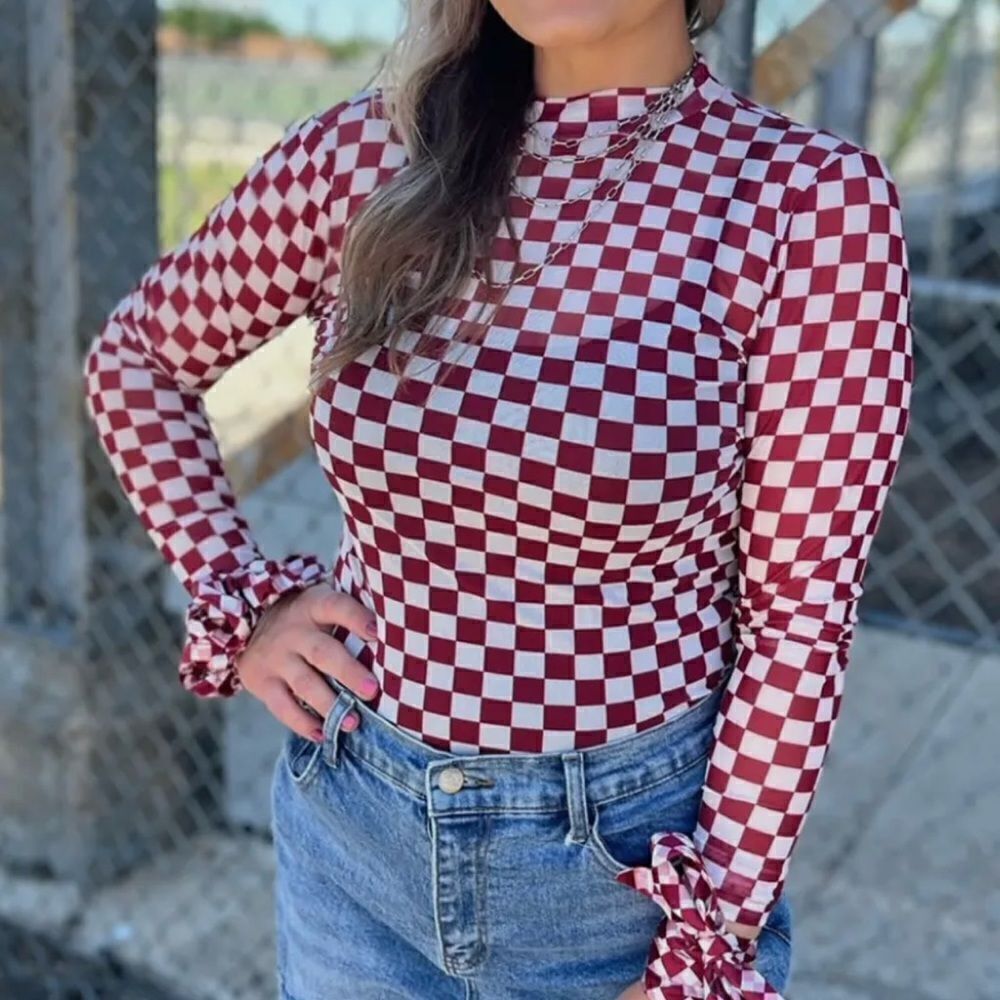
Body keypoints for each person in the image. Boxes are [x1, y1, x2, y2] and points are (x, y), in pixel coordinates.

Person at [81, 0, 914, 997]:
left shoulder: (803, 203)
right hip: (354, 834)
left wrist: (710, 934)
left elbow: (797, 613)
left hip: (627, 879)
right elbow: (139, 360)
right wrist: (239, 594)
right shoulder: (367, 158)